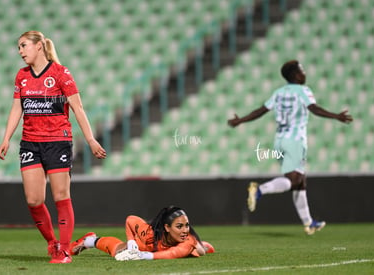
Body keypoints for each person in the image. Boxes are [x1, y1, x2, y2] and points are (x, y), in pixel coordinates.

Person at [0, 31, 107, 263]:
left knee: (60, 196)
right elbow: (17, 107)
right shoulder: (22, 76)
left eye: (23, 46)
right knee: (33, 200)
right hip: (30, 142)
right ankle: (52, 242)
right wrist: (6, 137)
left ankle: (65, 250)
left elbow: (78, 107)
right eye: (18, 47)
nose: (20, 51)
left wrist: (90, 140)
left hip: (57, 142)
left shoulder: (61, 73)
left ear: (39, 46)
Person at [228, 60, 353, 235]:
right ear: (295, 75)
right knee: (294, 180)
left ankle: (309, 223)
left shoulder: (278, 93)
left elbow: (261, 111)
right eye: (302, 70)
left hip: (280, 140)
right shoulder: (303, 91)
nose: (304, 73)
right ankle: (259, 190)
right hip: (295, 140)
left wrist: (240, 120)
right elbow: (314, 108)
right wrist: (336, 116)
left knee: (300, 181)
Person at [70, 206, 215, 260]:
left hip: (150, 251)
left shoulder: (187, 242)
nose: (185, 230)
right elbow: (130, 220)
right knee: (117, 251)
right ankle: (89, 240)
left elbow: (171, 254)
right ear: (167, 227)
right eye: (179, 226)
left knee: (200, 251)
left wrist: (143, 256)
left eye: (187, 226)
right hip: (141, 245)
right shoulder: (150, 233)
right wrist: (132, 242)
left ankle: (203, 245)